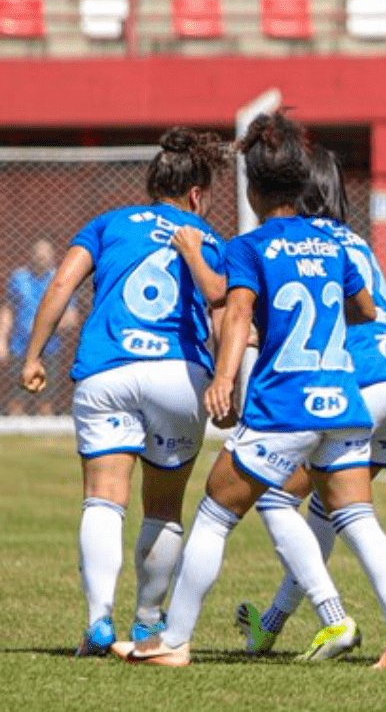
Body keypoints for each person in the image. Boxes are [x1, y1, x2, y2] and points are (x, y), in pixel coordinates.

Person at [115, 111, 386, 668]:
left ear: (253, 188)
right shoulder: (335, 244)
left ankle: (174, 641)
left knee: (215, 511)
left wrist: (225, 378)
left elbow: (237, 314)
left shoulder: (251, 245)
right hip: (345, 404)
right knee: (358, 519)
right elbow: (365, 310)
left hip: (286, 404)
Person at [19, 128, 229, 656]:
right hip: (177, 376)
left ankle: (97, 623)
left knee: (103, 499)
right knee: (162, 508)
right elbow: (225, 311)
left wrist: (33, 354)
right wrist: (229, 385)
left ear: (152, 184)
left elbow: (62, 283)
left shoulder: (107, 223)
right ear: (196, 195)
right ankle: (147, 623)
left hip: (107, 371)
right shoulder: (209, 237)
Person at [232, 144, 386, 660]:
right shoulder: (353, 240)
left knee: (276, 497)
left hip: (356, 384)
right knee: (330, 508)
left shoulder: (299, 243)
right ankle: (274, 626)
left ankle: (344, 621)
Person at [1, 239, 80, 415]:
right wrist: (2, 340)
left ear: (51, 257)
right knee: (16, 400)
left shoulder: (59, 280)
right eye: (38, 254)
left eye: (45, 255)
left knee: (45, 402)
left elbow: (71, 317)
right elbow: (8, 310)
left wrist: (44, 327)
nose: (41, 258)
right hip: (19, 347)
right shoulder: (19, 278)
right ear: (31, 255)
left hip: (48, 349)